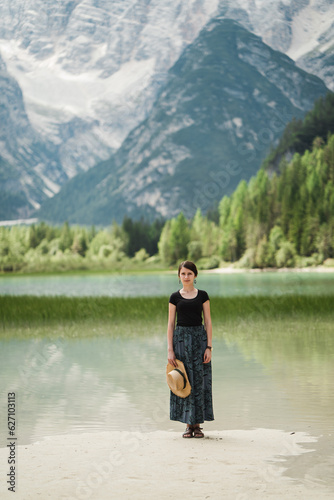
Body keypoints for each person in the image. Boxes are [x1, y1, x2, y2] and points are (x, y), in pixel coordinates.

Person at [167, 260, 214, 438]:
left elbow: (208, 322)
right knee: (183, 379)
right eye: (183, 274)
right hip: (180, 341)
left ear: (195, 275)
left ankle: (198, 425)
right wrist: (170, 350)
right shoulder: (174, 297)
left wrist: (209, 346)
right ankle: (188, 425)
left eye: (189, 273)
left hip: (199, 340)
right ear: (179, 276)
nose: (186, 277)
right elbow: (170, 324)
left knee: (200, 381)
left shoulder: (203, 295)